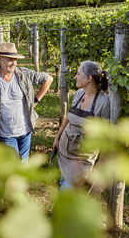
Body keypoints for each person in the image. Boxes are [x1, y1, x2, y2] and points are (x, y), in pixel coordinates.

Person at [0, 42, 53, 162]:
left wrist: (35, 101)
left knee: (23, 165)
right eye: (9, 59)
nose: (13, 63)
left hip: (25, 131)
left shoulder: (24, 74)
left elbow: (48, 79)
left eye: (15, 59)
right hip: (6, 134)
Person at [53, 60, 110, 190]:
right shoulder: (79, 94)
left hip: (81, 160)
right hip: (64, 152)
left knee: (66, 194)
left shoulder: (103, 102)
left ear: (89, 78)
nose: (75, 77)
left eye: (78, 74)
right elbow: (69, 117)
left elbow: (107, 138)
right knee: (64, 184)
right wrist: (58, 137)